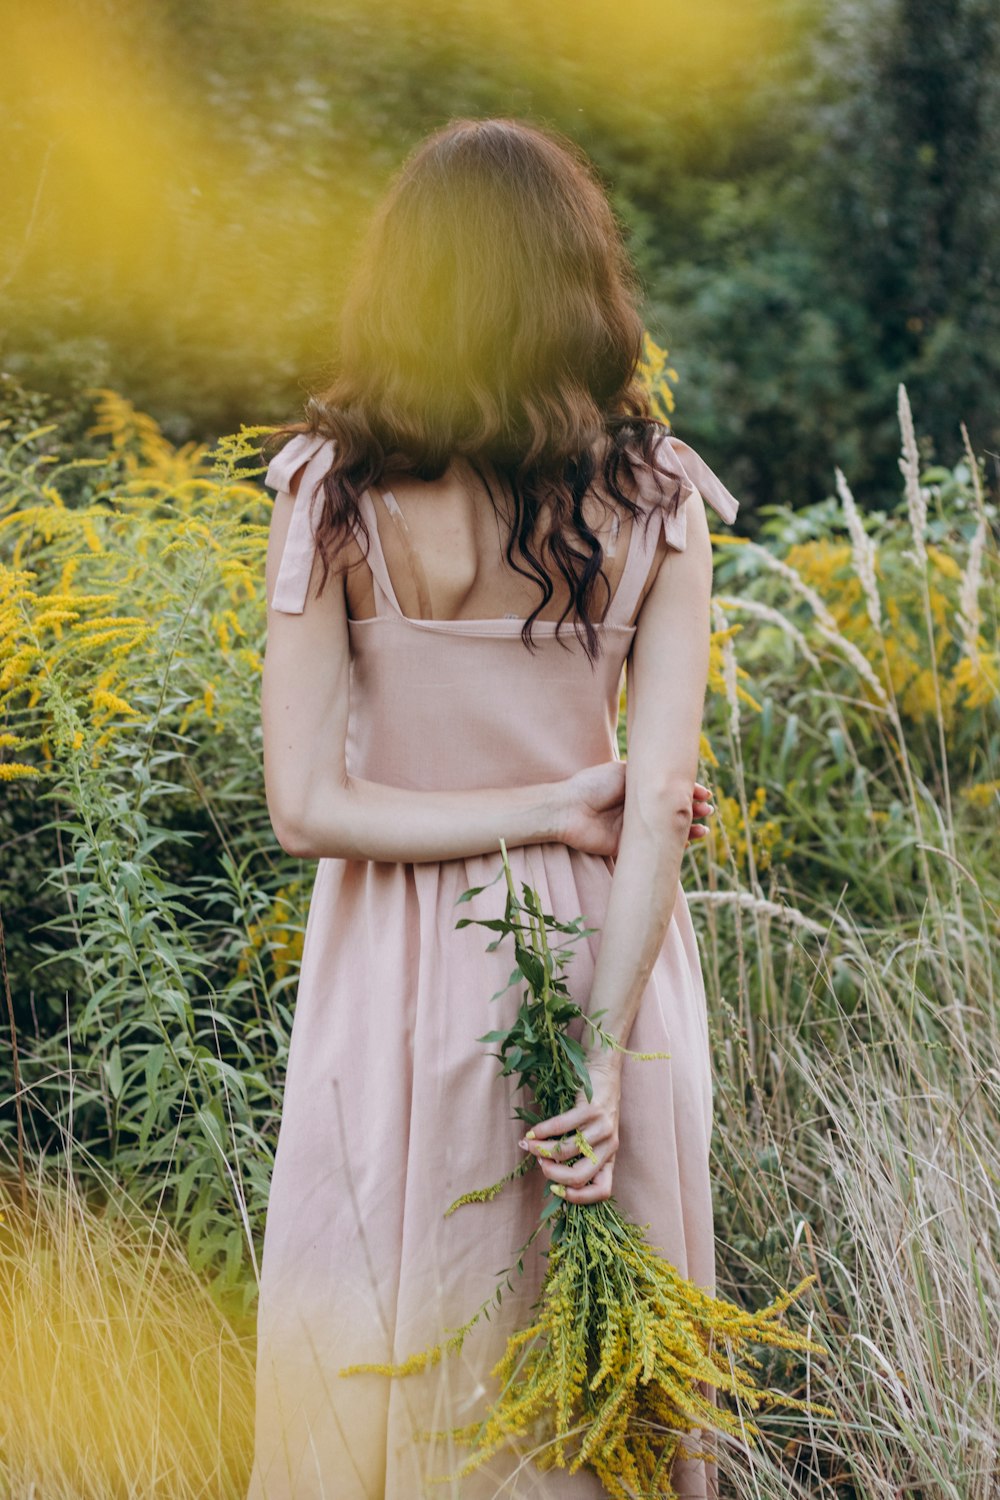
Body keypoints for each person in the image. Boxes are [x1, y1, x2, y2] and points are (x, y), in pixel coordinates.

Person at [248, 116, 740, 1500]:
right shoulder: (662, 502)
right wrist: (594, 1055)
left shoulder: (330, 495)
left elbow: (306, 807)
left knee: (397, 1357)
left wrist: (529, 803)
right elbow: (648, 809)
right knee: (602, 1397)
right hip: (612, 961)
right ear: (580, 292)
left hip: (400, 969)